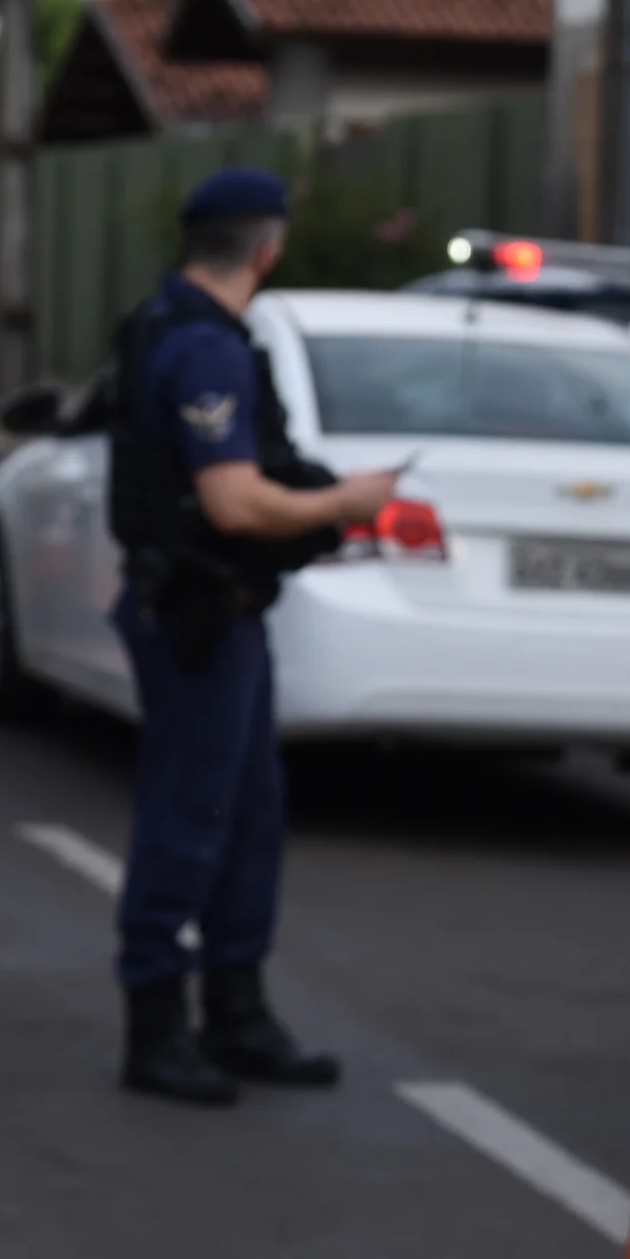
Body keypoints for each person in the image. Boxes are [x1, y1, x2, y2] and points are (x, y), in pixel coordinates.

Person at [107, 167, 400, 1105]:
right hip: (197, 610)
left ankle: (236, 1014)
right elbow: (231, 501)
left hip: (220, 611)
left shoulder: (178, 327)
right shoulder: (204, 348)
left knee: (247, 815)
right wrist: (344, 501)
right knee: (189, 821)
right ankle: (158, 1026)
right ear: (266, 249)